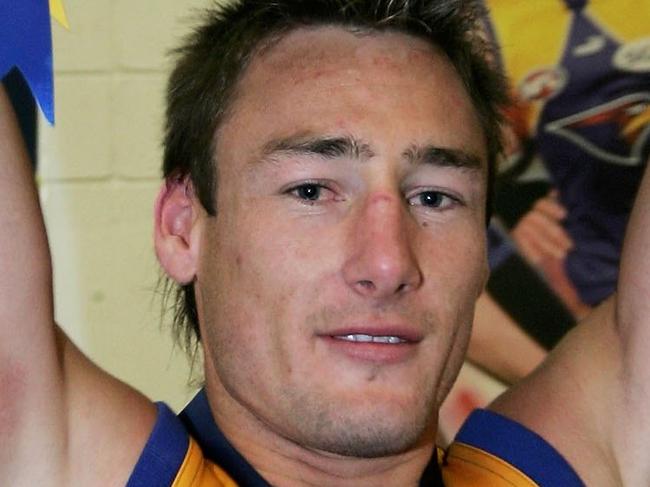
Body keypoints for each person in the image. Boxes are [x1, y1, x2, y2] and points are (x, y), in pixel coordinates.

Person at [1, 1, 649, 485]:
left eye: (434, 197)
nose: (389, 261)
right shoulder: (59, 457)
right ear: (181, 225)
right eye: (312, 190)